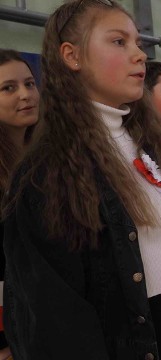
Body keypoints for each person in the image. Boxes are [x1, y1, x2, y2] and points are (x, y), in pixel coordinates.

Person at [1, 1, 161, 359]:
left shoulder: (151, 146)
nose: (140, 54)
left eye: (138, 43)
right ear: (72, 56)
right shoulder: (46, 174)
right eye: (118, 42)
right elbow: (55, 318)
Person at [0, 49, 40, 360]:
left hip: (46, 321)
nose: (25, 95)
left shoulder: (48, 161)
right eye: (8, 88)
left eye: (29, 83)